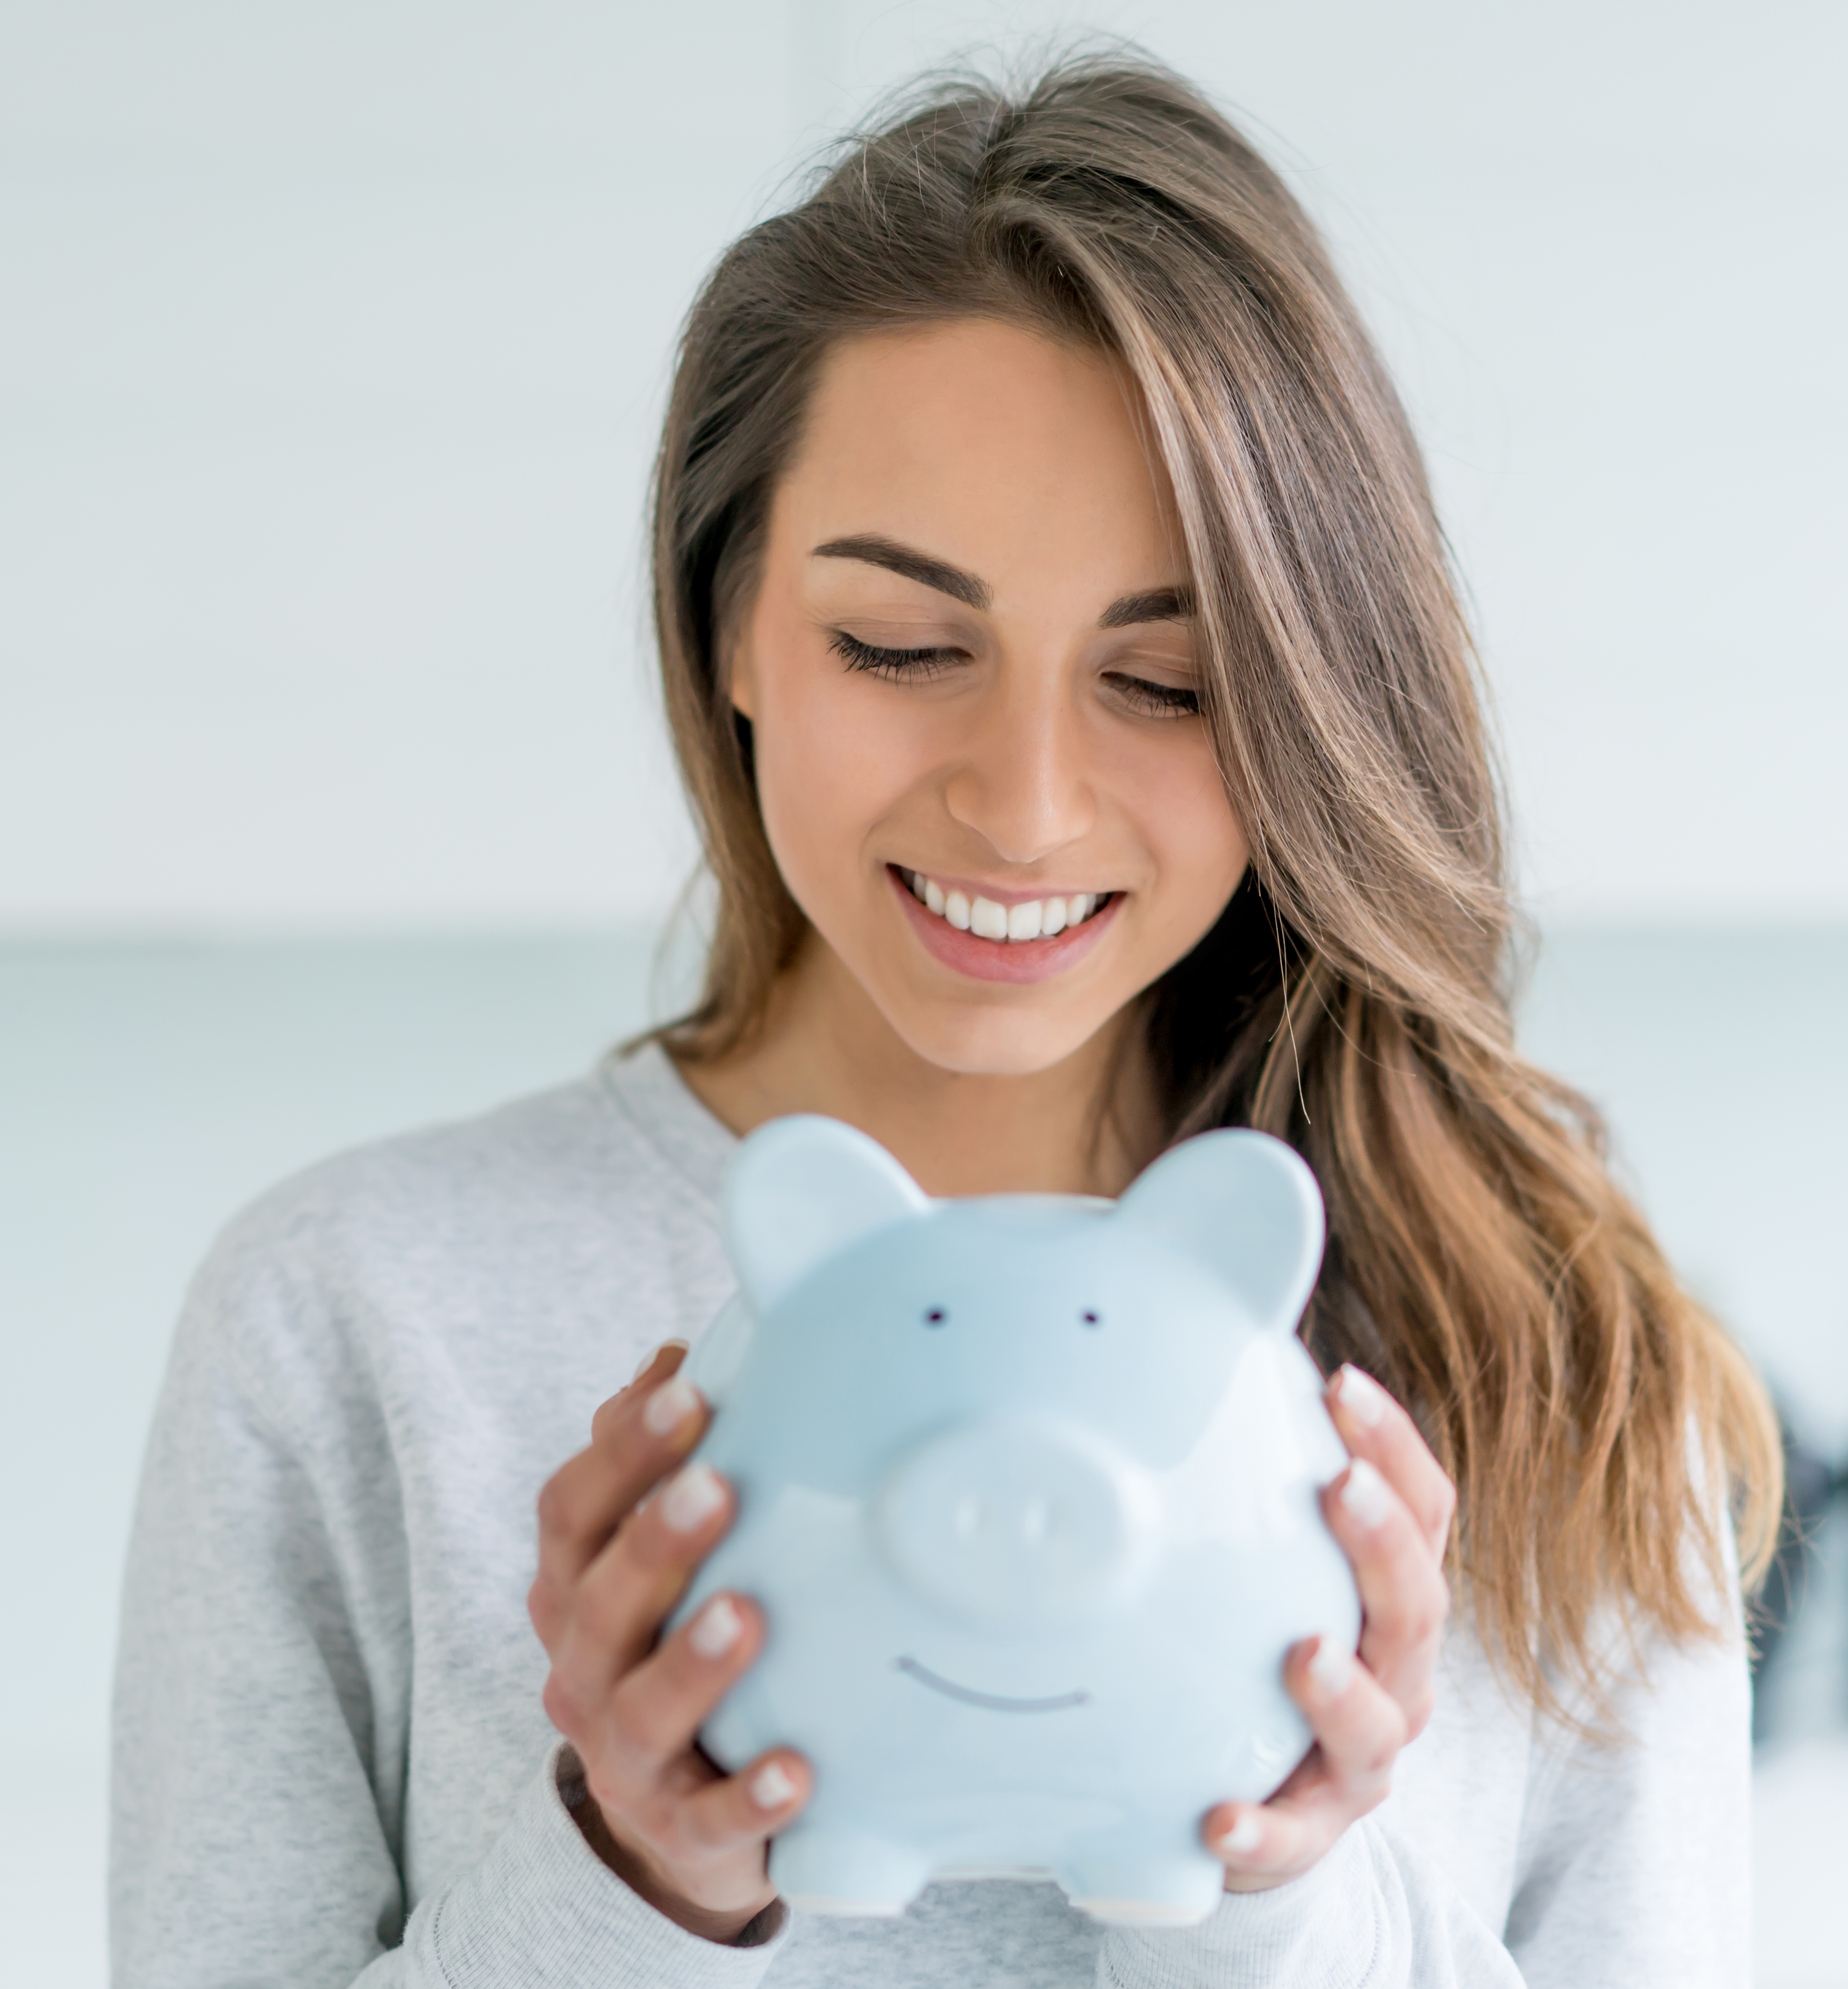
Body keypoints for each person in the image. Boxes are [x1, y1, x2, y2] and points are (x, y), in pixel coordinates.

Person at [110, 52, 1779, 1988]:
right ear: (730, 620)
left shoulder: (1545, 1348)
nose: (1028, 802)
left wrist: (1282, 1892)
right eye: (902, 647)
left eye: (1167, 676)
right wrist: (632, 1883)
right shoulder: (360, 1317)